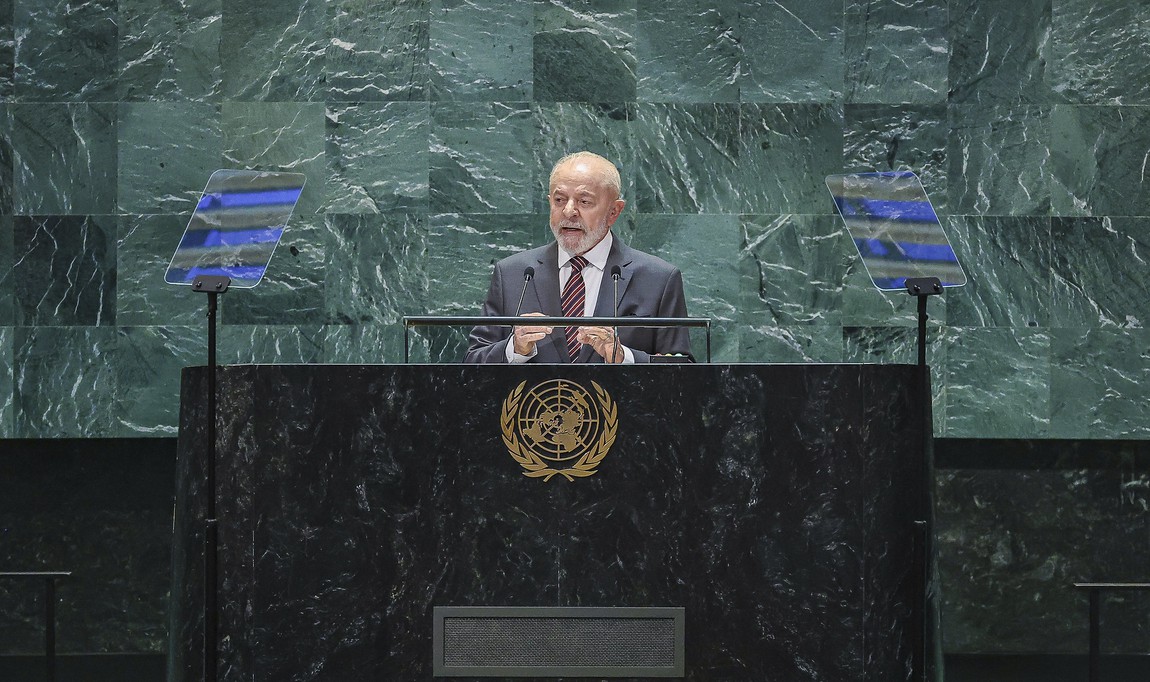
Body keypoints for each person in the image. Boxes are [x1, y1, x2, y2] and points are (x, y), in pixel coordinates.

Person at [465, 151, 691, 364]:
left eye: (584, 202)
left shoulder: (659, 279)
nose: (569, 211)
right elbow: (471, 363)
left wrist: (624, 357)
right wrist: (514, 348)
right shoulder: (513, 274)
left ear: (614, 211)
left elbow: (683, 369)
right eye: (560, 200)